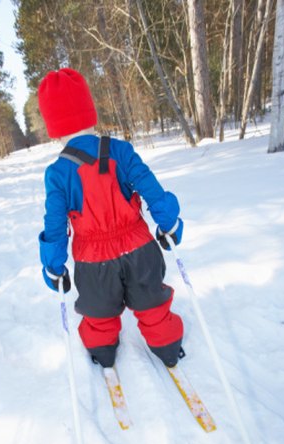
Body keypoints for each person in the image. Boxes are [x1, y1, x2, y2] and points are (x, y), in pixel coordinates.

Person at [38, 68, 184, 369]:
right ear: (89, 110)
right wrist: (168, 222)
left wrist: (54, 266)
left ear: (53, 124)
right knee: (152, 304)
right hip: (139, 249)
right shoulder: (120, 150)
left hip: (94, 263)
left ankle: (103, 353)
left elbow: (54, 226)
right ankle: (168, 348)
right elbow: (151, 188)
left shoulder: (57, 173)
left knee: (99, 312)